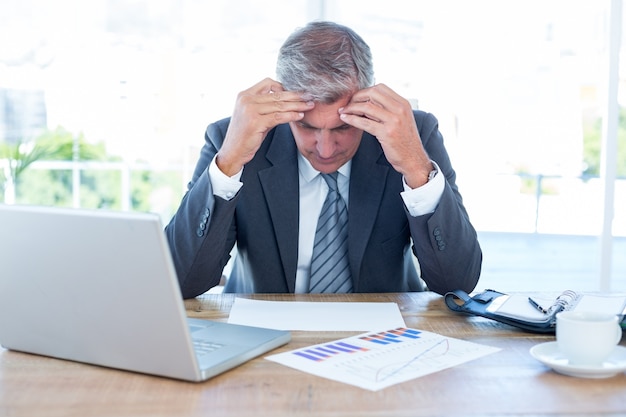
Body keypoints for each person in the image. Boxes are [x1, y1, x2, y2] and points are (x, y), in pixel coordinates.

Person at [165, 21, 482, 298]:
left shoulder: (413, 134)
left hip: (385, 339)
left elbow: (457, 281)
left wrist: (416, 168)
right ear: (284, 106)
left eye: (343, 127)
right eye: (306, 126)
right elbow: (182, 280)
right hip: (262, 336)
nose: (326, 149)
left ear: (366, 100)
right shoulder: (233, 138)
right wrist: (229, 163)